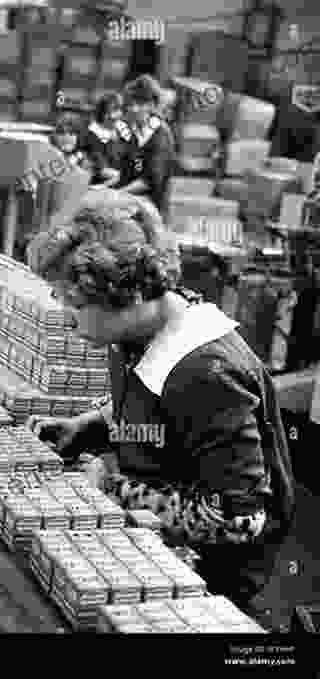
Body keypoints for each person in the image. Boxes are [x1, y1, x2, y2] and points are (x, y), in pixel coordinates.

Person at [25, 190, 295, 620]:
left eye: (74, 304)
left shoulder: (208, 372)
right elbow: (158, 411)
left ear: (128, 296)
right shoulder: (137, 332)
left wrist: (114, 491)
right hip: (156, 539)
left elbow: (239, 517)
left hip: (210, 581)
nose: (65, 316)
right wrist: (91, 426)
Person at [116, 75, 175, 223]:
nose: (134, 109)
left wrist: (114, 194)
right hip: (129, 205)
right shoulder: (132, 132)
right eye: (131, 104)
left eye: (141, 104)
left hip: (151, 212)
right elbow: (127, 173)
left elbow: (150, 181)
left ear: (153, 105)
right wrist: (103, 188)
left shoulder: (160, 135)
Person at [83, 91, 130, 187]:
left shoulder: (123, 129)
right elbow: (101, 170)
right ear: (102, 114)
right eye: (109, 112)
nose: (114, 115)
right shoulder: (93, 134)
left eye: (118, 110)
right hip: (102, 183)